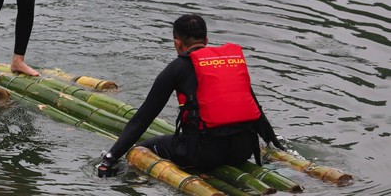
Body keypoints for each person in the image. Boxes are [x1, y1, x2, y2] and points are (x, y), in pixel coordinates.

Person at [97, 14, 283, 177]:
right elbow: (257, 112)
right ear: (207, 39)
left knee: (143, 148)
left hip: (203, 155)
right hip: (243, 151)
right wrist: (276, 146)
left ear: (177, 43)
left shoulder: (177, 68)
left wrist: (109, 158)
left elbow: (142, 119)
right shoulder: (230, 63)